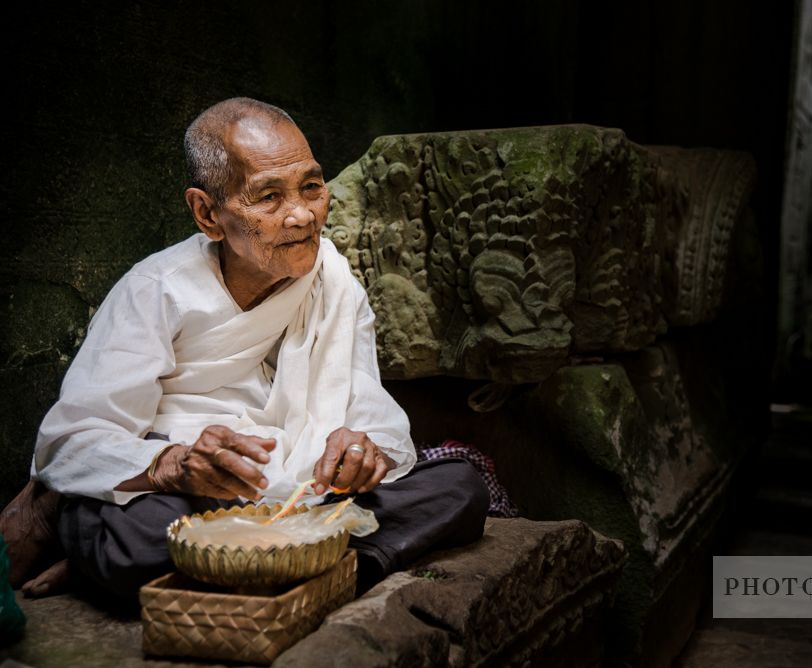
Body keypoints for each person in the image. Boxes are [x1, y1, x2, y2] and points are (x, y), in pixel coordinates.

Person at [1, 97, 489, 600]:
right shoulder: (156, 290)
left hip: (303, 495)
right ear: (208, 213)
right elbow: (71, 441)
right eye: (269, 196)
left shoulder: (337, 285)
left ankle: (227, 571)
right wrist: (173, 463)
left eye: (312, 187)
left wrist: (364, 449)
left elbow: (369, 409)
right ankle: (314, 567)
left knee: (458, 486)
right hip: (194, 499)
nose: (302, 215)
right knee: (139, 540)